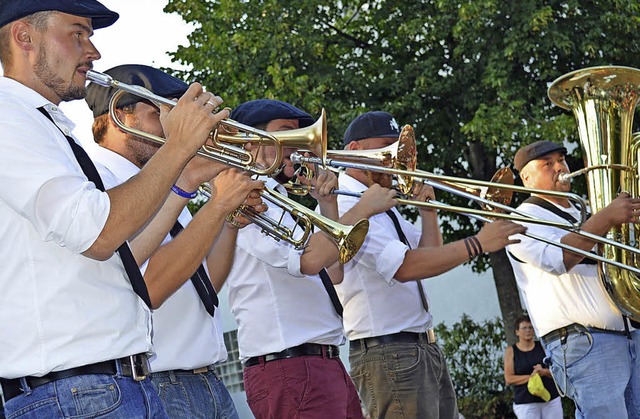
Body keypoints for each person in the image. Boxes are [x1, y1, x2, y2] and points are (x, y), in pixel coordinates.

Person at [0, 2, 228, 417]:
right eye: (78, 33)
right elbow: (100, 233)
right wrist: (177, 147)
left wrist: (187, 177)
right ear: (24, 36)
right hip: (77, 392)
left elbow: (122, 250)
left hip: (108, 386)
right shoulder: (7, 117)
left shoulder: (44, 125)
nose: (94, 52)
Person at [85, 64, 265, 418]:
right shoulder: (100, 182)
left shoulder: (161, 183)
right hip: (161, 383)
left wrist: (228, 219)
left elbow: (207, 285)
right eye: (161, 114)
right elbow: (149, 287)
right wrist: (216, 203)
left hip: (205, 380)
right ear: (122, 115)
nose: (175, 131)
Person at [334, 111, 527, 419]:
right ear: (355, 151)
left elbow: (429, 256)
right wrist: (477, 243)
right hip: (389, 351)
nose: (396, 158)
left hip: (418, 346)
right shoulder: (347, 204)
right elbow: (406, 267)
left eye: (399, 148)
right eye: (387, 147)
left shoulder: (381, 201)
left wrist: (429, 209)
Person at [225, 99, 398, 419]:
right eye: (286, 133)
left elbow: (333, 273)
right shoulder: (247, 198)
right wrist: (363, 209)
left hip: (320, 360)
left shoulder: (284, 199)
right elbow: (309, 261)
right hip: (288, 365)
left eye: (300, 132)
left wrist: (327, 203)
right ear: (250, 140)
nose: (297, 141)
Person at [507, 140, 640, 418]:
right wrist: (606, 218)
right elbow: (558, 259)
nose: (560, 167)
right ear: (526, 177)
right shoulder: (520, 220)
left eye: (561, 160)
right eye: (548, 164)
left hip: (628, 333)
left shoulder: (586, 209)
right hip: (584, 341)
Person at [504, 315, 562, 418]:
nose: (528, 331)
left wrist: (543, 372)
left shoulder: (543, 347)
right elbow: (509, 379)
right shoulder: (511, 351)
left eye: (530, 328)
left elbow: (557, 371)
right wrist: (532, 376)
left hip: (550, 399)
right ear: (517, 332)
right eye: (524, 328)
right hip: (525, 402)